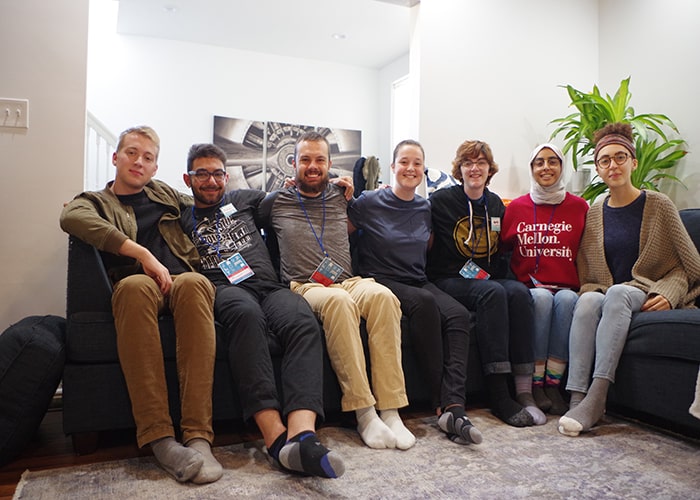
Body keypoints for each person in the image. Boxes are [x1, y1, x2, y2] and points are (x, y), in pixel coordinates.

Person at [60, 126, 222, 484]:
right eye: (132, 153)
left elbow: (210, 200)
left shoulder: (165, 195)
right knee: (134, 286)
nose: (139, 161)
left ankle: (198, 435)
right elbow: (71, 217)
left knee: (197, 283)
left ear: (154, 168)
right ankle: (160, 438)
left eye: (148, 157)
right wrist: (142, 254)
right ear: (116, 158)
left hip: (180, 282)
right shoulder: (96, 201)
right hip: (137, 287)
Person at [180, 143, 344, 478]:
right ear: (188, 178)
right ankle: (275, 438)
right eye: (202, 174)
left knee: (302, 319)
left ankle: (303, 435)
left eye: (217, 174)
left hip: (269, 287)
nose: (211, 181)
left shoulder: (243, 200)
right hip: (224, 291)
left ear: (226, 176)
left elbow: (293, 195)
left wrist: (346, 189)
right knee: (247, 317)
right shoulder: (180, 218)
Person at [260, 131, 416, 450]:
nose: (313, 166)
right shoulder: (275, 202)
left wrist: (352, 190)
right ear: (294, 164)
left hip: (348, 279)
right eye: (305, 160)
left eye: (320, 159)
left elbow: (375, 214)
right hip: (305, 285)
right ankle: (364, 412)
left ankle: (391, 410)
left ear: (330, 164)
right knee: (339, 302)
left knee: (384, 297)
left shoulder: (341, 196)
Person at [558, 122, 700, 436]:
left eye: (620, 157)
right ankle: (576, 396)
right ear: (598, 168)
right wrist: (593, 290)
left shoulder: (659, 204)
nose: (613, 165)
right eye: (605, 160)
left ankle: (597, 397)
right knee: (588, 300)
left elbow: (689, 264)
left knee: (619, 293)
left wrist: (671, 293)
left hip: (643, 291)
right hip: (610, 293)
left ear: (633, 162)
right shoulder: (595, 212)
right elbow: (589, 273)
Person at [347, 139, 482, 445]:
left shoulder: (425, 207)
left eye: (417, 163)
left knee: (459, 315)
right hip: (380, 279)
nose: (410, 168)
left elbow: (433, 245)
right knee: (423, 303)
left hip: (418, 279)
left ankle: (454, 405)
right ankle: (437, 400)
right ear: (393, 167)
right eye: (404, 162)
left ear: (423, 170)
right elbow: (337, 231)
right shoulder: (369, 201)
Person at [426, 140, 541, 427]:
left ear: (489, 169)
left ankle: (524, 389)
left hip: (486, 278)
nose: (474, 168)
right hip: (448, 279)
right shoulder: (441, 202)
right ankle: (498, 393)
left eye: (480, 163)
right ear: (460, 169)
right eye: (468, 163)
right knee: (491, 293)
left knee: (517, 292)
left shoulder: (495, 205)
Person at [500, 144, 589, 416]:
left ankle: (553, 384)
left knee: (567, 299)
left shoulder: (580, 207)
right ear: (532, 169)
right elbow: (502, 251)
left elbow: (588, 251)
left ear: (562, 168)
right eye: (539, 162)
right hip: (530, 287)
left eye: (553, 162)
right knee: (540, 299)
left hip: (565, 286)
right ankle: (535, 384)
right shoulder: (516, 208)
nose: (546, 167)